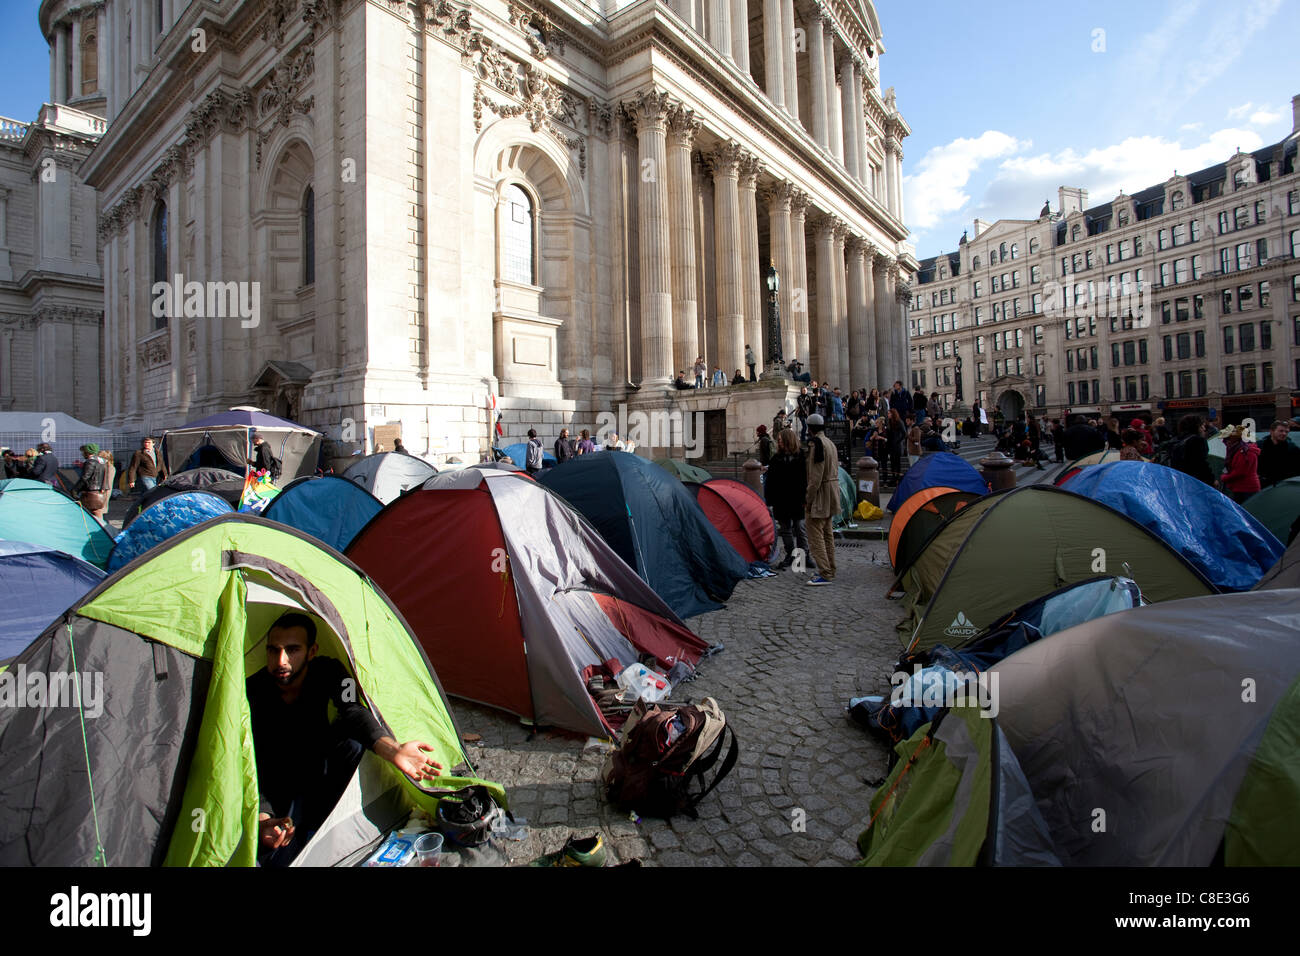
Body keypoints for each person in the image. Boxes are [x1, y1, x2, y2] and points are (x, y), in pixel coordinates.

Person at [248, 612, 445, 865]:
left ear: (311, 651)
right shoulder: (252, 691)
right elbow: (251, 761)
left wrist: (393, 749)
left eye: (292, 650)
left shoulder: (328, 671)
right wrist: (263, 817)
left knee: (352, 743)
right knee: (277, 855)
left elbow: (353, 710)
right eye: (273, 650)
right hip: (279, 783)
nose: (280, 660)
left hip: (321, 767)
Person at [765, 428, 808, 570]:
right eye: (778, 441)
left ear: (788, 440)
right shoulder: (775, 459)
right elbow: (770, 482)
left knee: (800, 528)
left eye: (781, 440)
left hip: (797, 499)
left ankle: (804, 556)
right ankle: (790, 555)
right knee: (786, 529)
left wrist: (806, 498)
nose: (779, 443)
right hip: (781, 500)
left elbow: (805, 480)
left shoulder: (801, 456)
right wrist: (770, 501)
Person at [803, 414, 838, 586]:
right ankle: (831, 567)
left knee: (816, 535)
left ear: (809, 427)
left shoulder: (816, 444)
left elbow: (815, 477)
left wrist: (808, 499)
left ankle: (825, 572)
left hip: (820, 494)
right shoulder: (830, 443)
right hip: (831, 492)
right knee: (827, 534)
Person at [1169, 415, 1214, 485]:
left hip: (1180, 479)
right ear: (1196, 427)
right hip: (1196, 481)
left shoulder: (1177, 440)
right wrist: (1211, 480)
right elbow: (1201, 463)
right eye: (1202, 426)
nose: (1204, 429)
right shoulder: (1197, 440)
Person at [74, 444, 111, 521]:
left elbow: (85, 477)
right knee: (98, 511)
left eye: (83, 452)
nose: (82, 454)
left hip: (91, 491)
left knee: (92, 511)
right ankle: (101, 526)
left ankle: (97, 527)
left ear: (87, 452)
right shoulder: (103, 461)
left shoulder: (90, 462)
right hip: (101, 491)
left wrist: (75, 489)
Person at [1258, 420, 1300, 487]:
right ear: (1271, 431)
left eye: (1286, 432)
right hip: (1263, 485)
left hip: (1283, 485)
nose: (1284, 433)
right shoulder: (1259, 446)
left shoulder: (1292, 448)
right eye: (1281, 431)